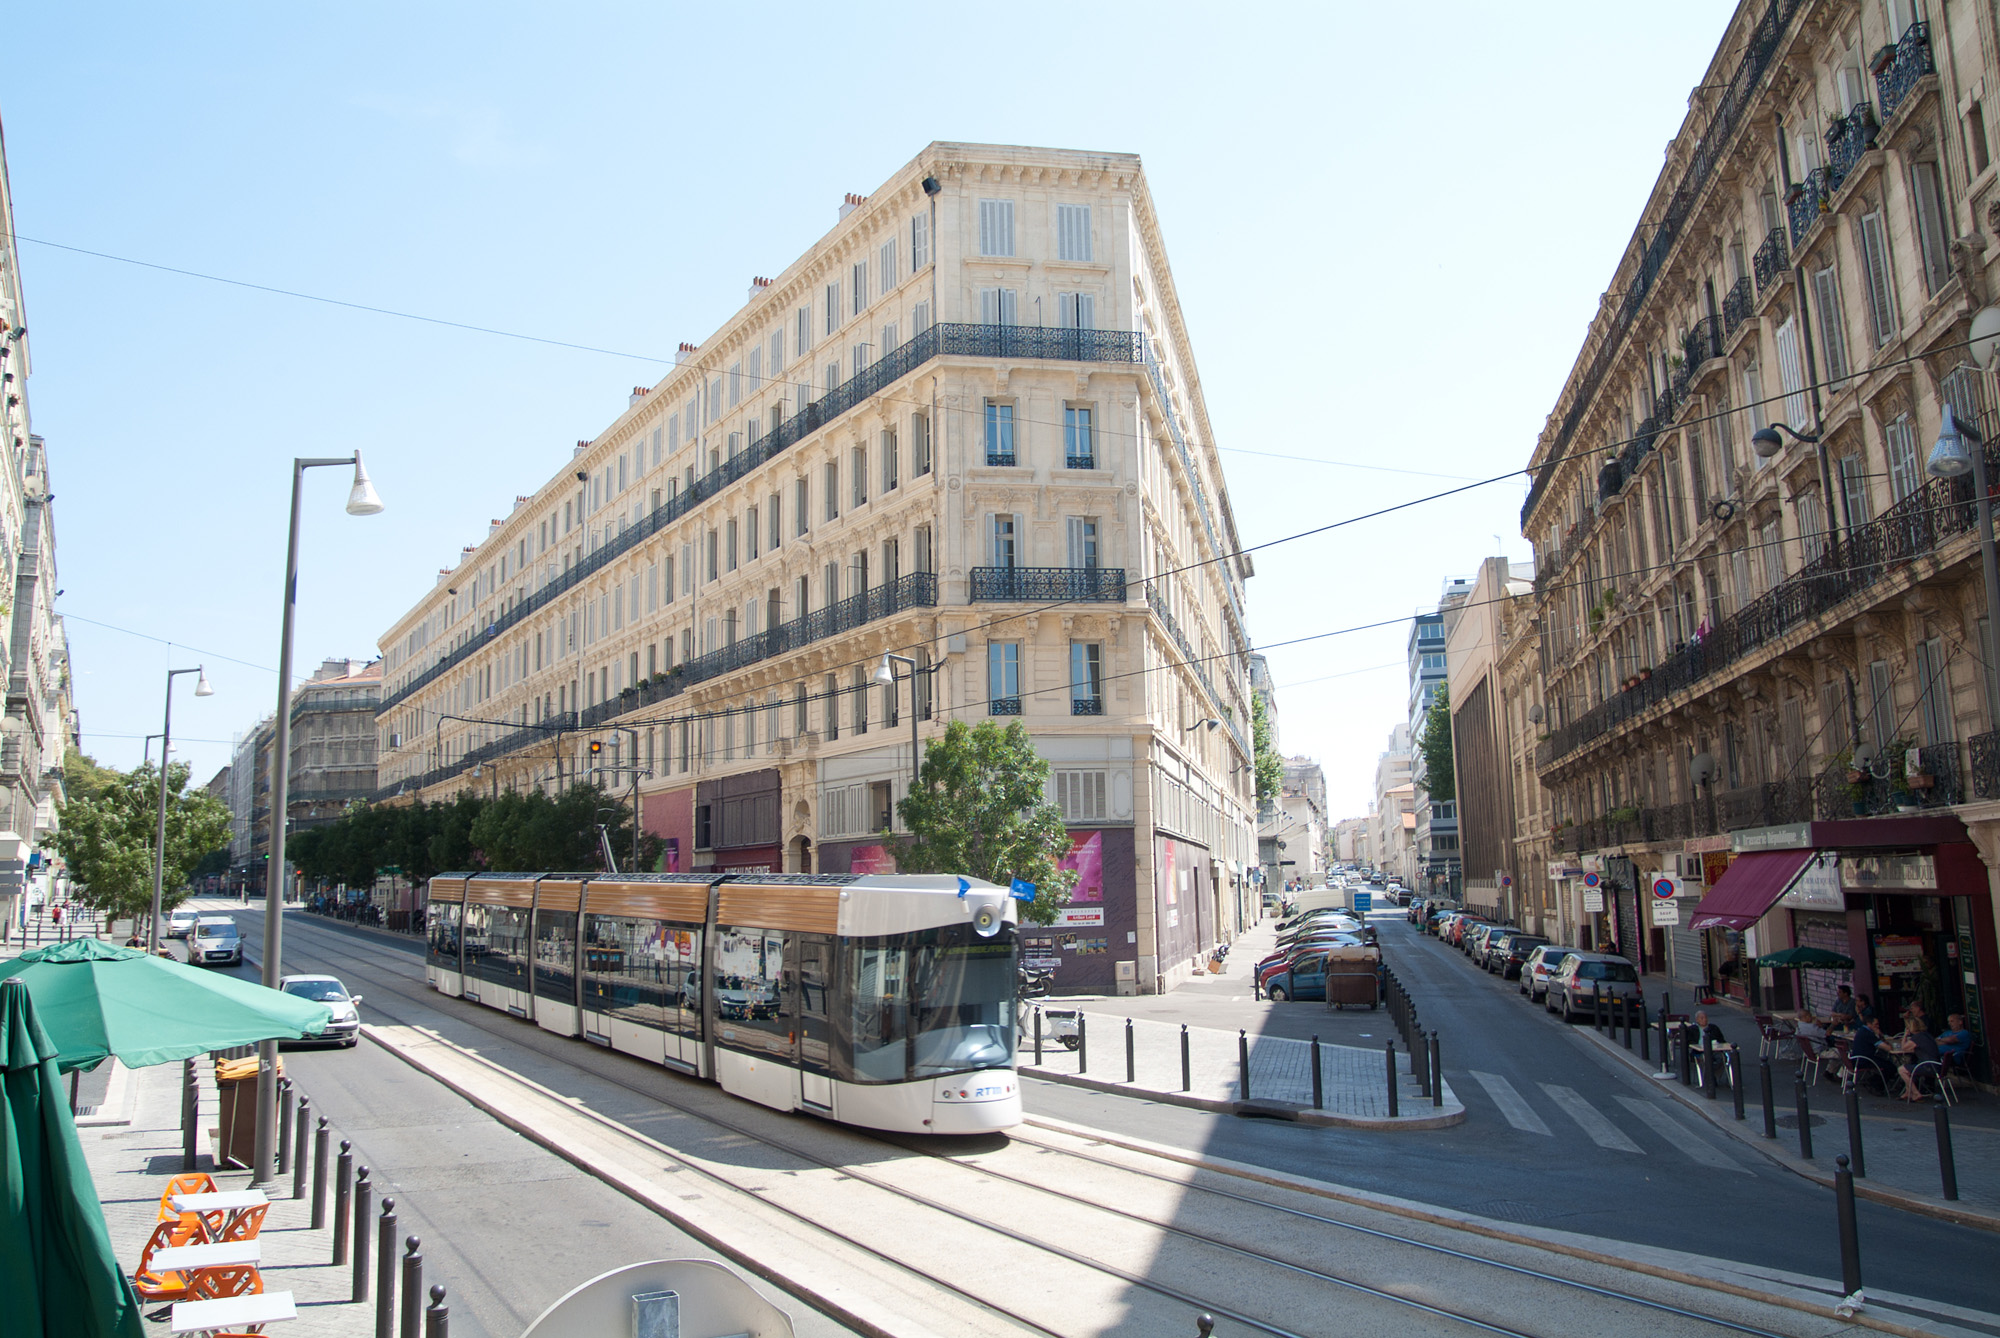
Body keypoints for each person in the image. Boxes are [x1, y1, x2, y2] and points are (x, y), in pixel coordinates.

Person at [1891, 1024, 1939, 1101]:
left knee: (1901, 1069)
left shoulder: (1917, 1037)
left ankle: (1916, 1093)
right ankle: (1907, 1093)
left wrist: (1905, 1035)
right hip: (1936, 1066)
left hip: (1928, 1067)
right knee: (1908, 1068)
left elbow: (1904, 1047)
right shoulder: (1927, 1035)